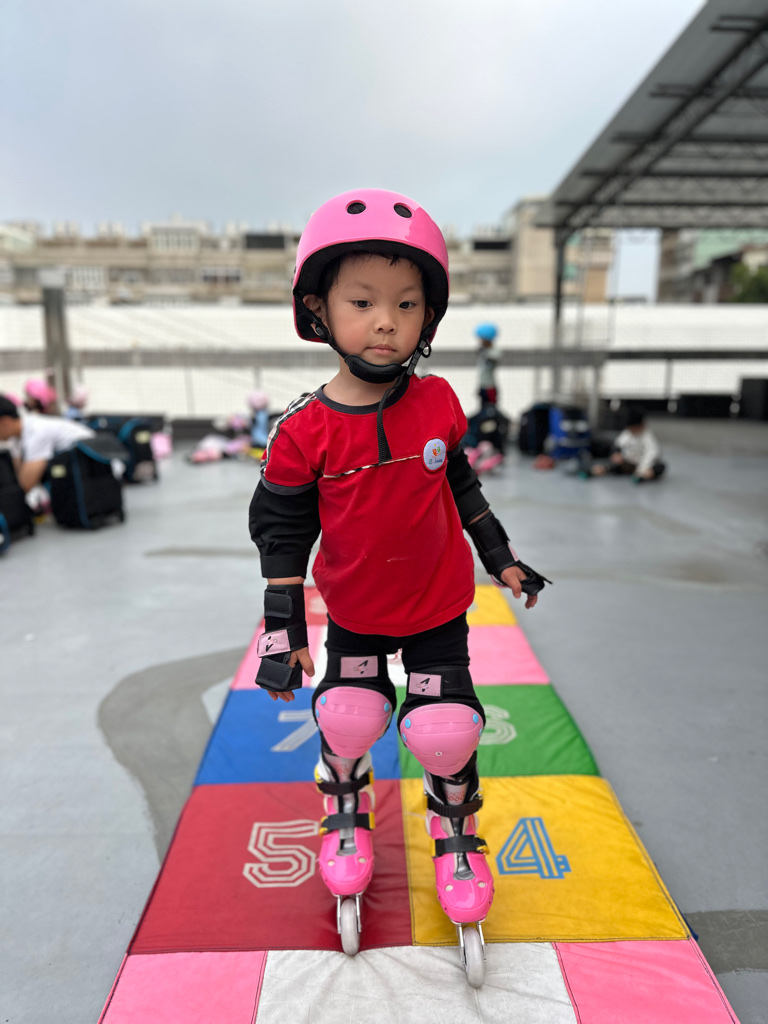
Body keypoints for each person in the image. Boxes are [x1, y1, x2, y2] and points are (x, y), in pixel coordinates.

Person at [248, 189, 550, 980]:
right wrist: (283, 633)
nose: (386, 321)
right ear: (318, 310)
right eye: (363, 302)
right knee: (349, 718)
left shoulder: (440, 402)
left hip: (437, 608)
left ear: (429, 317)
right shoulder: (302, 431)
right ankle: (346, 811)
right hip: (355, 609)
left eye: (406, 304)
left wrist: (502, 559)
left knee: (445, 729)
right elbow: (282, 533)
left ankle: (455, 836)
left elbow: (462, 487)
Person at [0, 394, 95, 494]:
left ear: (5, 422)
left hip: (89, 466)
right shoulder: (16, 437)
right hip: (70, 471)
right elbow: (19, 476)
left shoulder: (36, 431)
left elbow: (26, 485)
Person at [582, 410, 666, 483]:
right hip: (628, 462)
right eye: (630, 429)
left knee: (659, 468)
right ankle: (594, 471)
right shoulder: (628, 433)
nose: (631, 431)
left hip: (642, 464)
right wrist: (616, 453)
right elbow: (618, 444)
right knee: (612, 464)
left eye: (634, 429)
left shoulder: (648, 437)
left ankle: (642, 476)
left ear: (641, 425)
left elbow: (652, 454)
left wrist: (642, 468)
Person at [475, 322, 499, 405]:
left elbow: (492, 359)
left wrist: (484, 353)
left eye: (482, 339)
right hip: (483, 385)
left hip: (490, 387)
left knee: (490, 408)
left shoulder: (494, 351)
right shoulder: (484, 351)